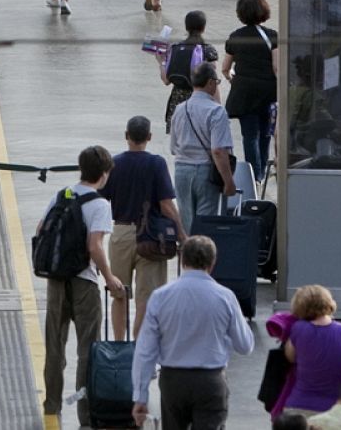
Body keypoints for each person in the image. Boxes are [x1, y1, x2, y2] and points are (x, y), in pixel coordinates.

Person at [39, 146, 126, 429]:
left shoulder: (62, 195)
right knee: (87, 351)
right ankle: (85, 414)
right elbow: (94, 246)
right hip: (84, 283)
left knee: (55, 346)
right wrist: (109, 277)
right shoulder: (100, 204)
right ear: (104, 174)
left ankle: (52, 406)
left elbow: (41, 229)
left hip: (56, 281)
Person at [130, 236, 256, 430]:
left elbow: (145, 350)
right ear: (212, 263)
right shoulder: (225, 297)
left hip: (173, 381)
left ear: (182, 260)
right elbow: (245, 345)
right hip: (210, 381)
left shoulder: (160, 297)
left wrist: (140, 396)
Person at [101, 116, 186, 340]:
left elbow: (100, 200)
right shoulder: (156, 164)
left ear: (126, 136)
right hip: (150, 237)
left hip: (120, 234)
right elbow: (166, 205)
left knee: (119, 294)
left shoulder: (113, 164)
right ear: (149, 137)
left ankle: (119, 345)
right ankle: (139, 348)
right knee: (146, 299)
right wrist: (181, 234)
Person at [279, 285, 341, 418]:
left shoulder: (298, 329)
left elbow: (291, 357)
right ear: (329, 304)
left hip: (298, 409)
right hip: (335, 412)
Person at [168, 64, 238, 233]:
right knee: (205, 227)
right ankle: (202, 250)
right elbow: (218, 151)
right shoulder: (216, 111)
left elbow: (173, 148)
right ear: (210, 82)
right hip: (205, 172)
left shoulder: (179, 109)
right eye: (217, 82)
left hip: (181, 171)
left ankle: (187, 250)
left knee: (187, 225)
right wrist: (229, 182)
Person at [223, 0, 279, 184]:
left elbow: (225, 68)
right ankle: (261, 172)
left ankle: (253, 177)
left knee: (249, 135)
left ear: (241, 14)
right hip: (268, 91)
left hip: (244, 93)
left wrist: (233, 79)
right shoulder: (272, 36)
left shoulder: (235, 37)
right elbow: (277, 67)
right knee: (266, 134)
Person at [159, 10, 218, 125]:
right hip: (200, 103)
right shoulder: (208, 50)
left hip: (176, 105)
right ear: (203, 28)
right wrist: (218, 108)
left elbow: (166, 80)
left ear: (186, 27)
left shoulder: (175, 48)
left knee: (177, 135)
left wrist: (161, 61)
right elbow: (212, 83)